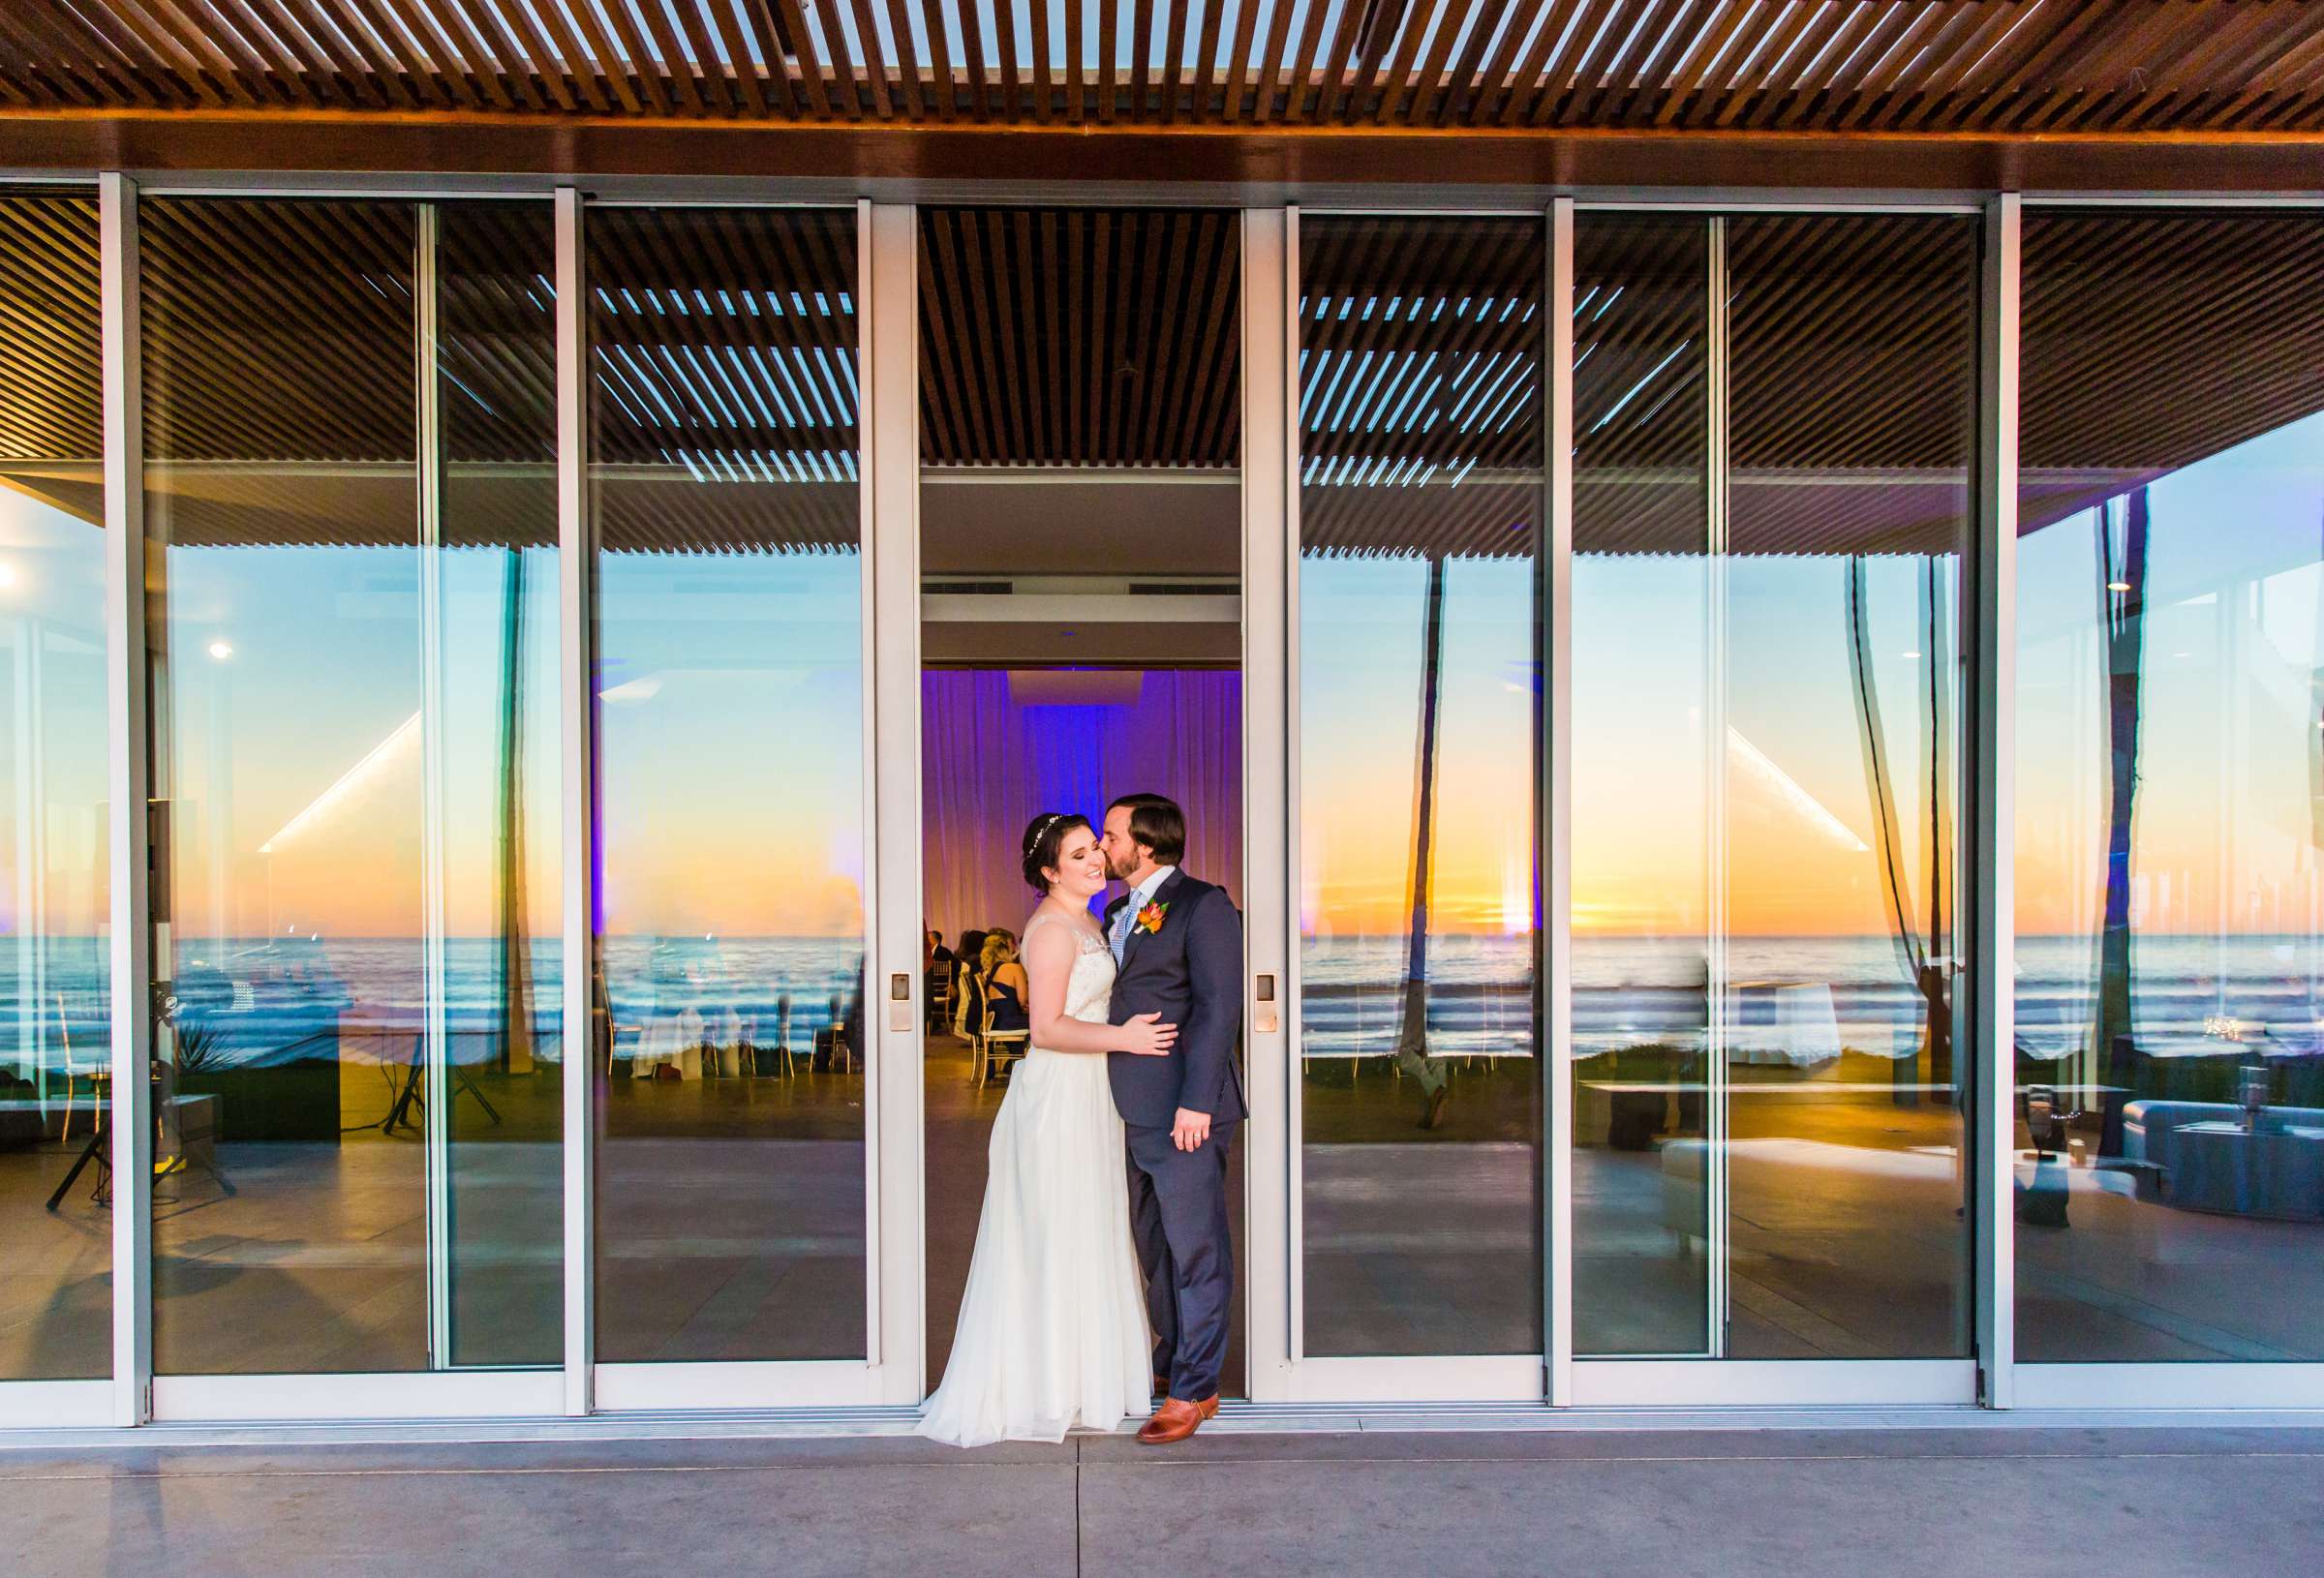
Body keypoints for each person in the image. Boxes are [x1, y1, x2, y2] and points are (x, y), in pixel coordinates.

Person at [917, 813, 1177, 1447]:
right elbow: (1047, 1028)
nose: (1095, 860)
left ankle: (1086, 1382)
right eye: (1079, 854)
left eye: (1096, 848)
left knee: (1089, 1229)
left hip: (1089, 1094)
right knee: (1056, 1235)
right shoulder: (1052, 930)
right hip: (1058, 1097)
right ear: (1048, 871)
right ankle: (1049, 1389)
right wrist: (1126, 1038)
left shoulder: (1092, 921)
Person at [1098, 791, 1244, 1445]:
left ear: (1145, 844)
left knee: (1197, 1251)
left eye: (1111, 835)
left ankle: (1197, 1389)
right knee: (1155, 1250)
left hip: (1185, 1109)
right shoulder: (1118, 908)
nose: (1104, 846)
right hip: (1129, 1108)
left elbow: (1218, 1010)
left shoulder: (1203, 905)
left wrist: (1197, 1101)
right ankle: (1170, 1361)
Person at [982, 933, 1029, 1035]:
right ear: (1005, 950)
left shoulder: (989, 971)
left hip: (995, 1024)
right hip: (1011, 1024)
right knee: (1044, 1023)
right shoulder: (1014, 968)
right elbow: (1023, 1001)